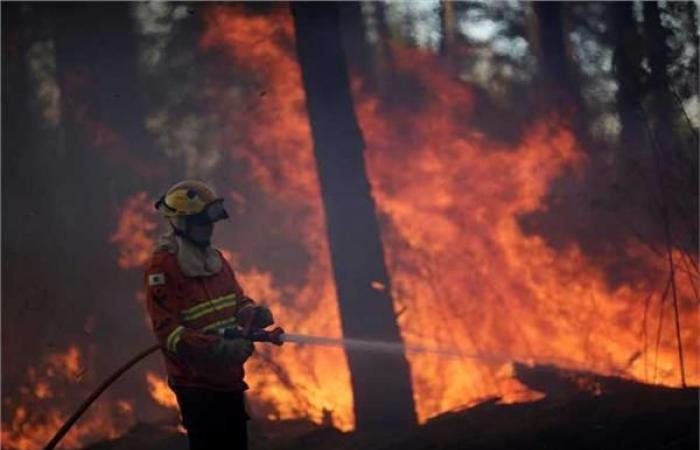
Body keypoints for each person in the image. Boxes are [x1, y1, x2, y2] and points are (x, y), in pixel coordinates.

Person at [144, 180, 273, 450]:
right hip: (196, 385)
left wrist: (250, 312)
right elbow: (169, 333)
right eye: (201, 222)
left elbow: (236, 300)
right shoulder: (163, 268)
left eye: (210, 222)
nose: (209, 228)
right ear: (181, 222)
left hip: (230, 380)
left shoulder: (215, 260)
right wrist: (218, 348)